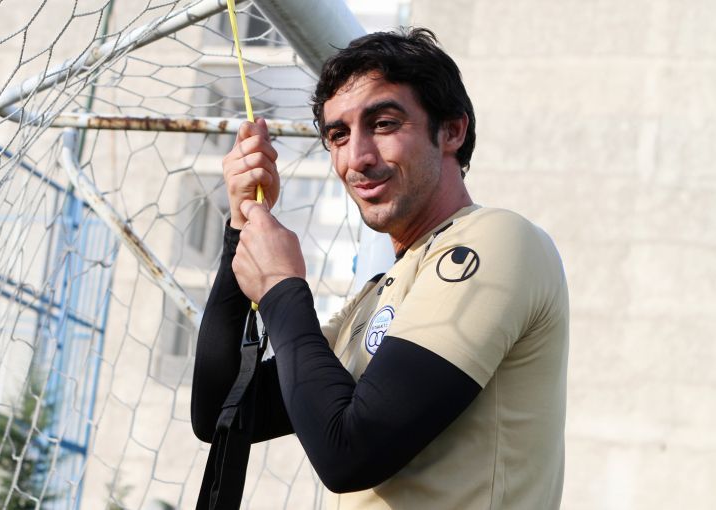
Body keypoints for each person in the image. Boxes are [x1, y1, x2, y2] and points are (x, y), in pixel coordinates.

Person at [191, 28, 569, 509]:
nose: (357, 158)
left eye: (384, 123)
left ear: (452, 131)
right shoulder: (375, 296)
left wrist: (281, 287)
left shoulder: (498, 238)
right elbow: (219, 412)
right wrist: (242, 225)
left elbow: (350, 455)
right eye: (339, 135)